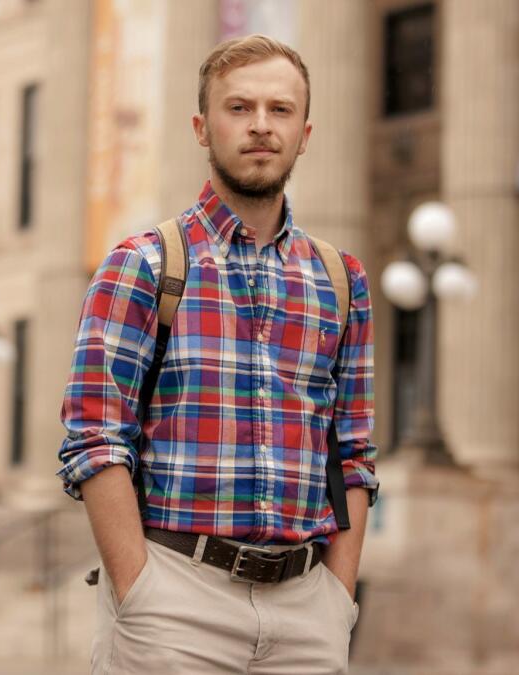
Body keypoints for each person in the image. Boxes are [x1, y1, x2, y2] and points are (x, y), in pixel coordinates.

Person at [58, 34, 378, 675]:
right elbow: (95, 440)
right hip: (175, 601)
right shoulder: (143, 266)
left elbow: (354, 455)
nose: (261, 125)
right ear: (203, 128)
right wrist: (141, 589)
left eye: (280, 110)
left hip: (307, 610)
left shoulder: (342, 281)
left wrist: (337, 601)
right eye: (239, 108)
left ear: (305, 132)